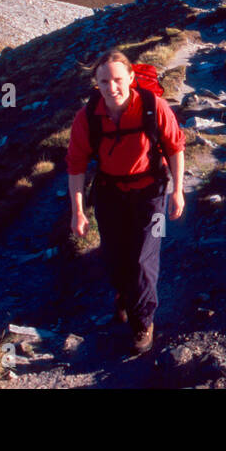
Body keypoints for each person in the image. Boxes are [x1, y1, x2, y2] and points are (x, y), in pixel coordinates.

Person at [66, 49, 185, 353]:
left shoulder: (152, 106)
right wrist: (78, 211)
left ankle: (143, 323)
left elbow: (174, 148)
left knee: (143, 259)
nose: (112, 87)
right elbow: (76, 164)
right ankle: (124, 294)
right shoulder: (88, 117)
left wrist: (177, 190)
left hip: (151, 194)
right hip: (110, 194)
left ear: (131, 78)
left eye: (118, 80)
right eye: (104, 82)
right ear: (96, 83)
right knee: (115, 258)